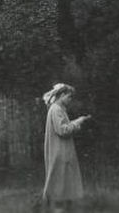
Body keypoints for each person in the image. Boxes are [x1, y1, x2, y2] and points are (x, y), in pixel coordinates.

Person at [41, 82, 91, 210]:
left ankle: (60, 207)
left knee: (62, 185)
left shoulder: (57, 109)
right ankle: (57, 208)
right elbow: (62, 130)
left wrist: (78, 120)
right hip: (60, 153)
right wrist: (78, 122)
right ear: (62, 95)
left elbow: (64, 126)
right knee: (60, 185)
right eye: (69, 97)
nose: (70, 100)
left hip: (61, 151)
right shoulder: (56, 109)